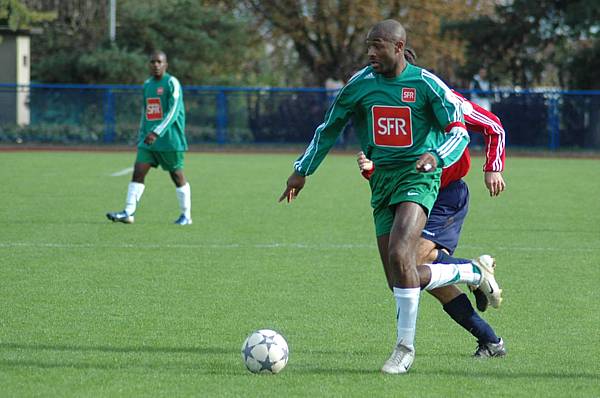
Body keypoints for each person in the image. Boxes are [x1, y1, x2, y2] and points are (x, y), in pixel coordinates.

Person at [279, 19, 503, 374]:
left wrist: (437, 156)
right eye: (368, 45)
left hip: (419, 181)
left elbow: (459, 132)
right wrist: (302, 170)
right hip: (382, 185)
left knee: (402, 252)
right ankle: (470, 271)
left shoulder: (427, 84)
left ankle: (404, 349)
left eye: (378, 45)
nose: (370, 52)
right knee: (399, 276)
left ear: (399, 47)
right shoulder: (359, 86)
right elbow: (328, 129)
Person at [356, 47, 508, 359]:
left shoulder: (441, 97)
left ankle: (472, 272)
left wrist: (493, 165)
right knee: (410, 277)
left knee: (409, 269)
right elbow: (389, 163)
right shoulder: (383, 105)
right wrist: (371, 169)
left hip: (444, 196)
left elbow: (493, 125)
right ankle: (490, 340)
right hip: (406, 194)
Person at [106, 50, 192, 225]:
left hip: (170, 140)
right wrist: (143, 133)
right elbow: (147, 112)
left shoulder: (172, 83)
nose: (156, 65)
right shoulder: (147, 85)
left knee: (176, 175)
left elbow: (173, 111)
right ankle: (128, 212)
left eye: (159, 62)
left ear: (165, 65)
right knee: (138, 171)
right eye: (152, 62)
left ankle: (186, 215)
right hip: (149, 141)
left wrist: (156, 132)